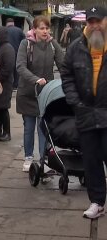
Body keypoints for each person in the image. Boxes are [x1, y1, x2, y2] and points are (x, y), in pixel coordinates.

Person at [60, 6, 107, 219]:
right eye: (91, 21)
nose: (95, 25)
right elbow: (66, 74)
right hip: (85, 112)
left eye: (99, 21)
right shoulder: (76, 47)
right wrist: (75, 101)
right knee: (91, 160)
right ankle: (97, 202)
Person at [16, 15, 64, 172]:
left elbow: (63, 66)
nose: (45, 31)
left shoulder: (52, 45)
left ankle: (43, 159)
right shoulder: (26, 44)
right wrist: (36, 79)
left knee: (44, 128)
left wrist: (70, 82)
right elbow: (20, 67)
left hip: (46, 94)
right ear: (34, 29)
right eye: (41, 28)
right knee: (29, 127)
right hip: (28, 93)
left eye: (47, 28)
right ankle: (28, 158)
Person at [5, 18, 25, 90]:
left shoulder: (4, 30)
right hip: (17, 51)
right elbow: (24, 41)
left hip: (7, 52)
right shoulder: (19, 30)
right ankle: (16, 85)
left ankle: (9, 84)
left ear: (6, 23)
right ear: (13, 23)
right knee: (17, 68)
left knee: (8, 68)